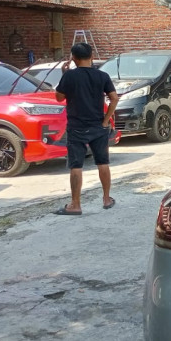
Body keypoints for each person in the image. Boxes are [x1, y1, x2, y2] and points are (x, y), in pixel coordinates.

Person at [54, 43, 119, 215]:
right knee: (103, 162)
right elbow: (114, 98)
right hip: (98, 126)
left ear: (73, 58)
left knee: (76, 165)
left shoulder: (70, 76)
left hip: (76, 127)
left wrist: (64, 75)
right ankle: (106, 199)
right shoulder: (102, 75)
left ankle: (75, 204)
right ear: (91, 56)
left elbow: (59, 97)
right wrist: (106, 121)